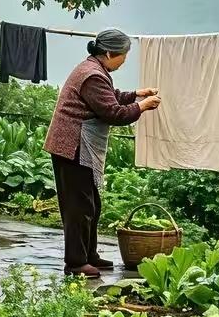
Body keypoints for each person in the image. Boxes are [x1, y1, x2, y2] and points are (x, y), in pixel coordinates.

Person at [44, 28, 160, 278]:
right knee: (79, 207)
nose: (124, 61)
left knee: (92, 204)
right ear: (109, 53)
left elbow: (110, 97)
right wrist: (141, 106)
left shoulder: (94, 69)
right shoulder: (93, 75)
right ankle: (76, 263)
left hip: (76, 145)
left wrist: (135, 94)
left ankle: (89, 255)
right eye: (123, 56)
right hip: (72, 146)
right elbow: (113, 113)